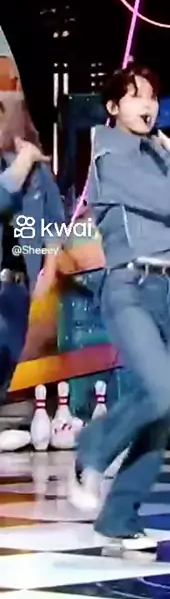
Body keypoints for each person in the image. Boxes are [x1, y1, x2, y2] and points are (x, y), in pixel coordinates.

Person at [68, 63, 170, 552]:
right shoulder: (108, 155)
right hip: (128, 286)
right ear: (113, 107)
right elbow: (167, 200)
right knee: (160, 393)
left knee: (163, 414)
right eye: (135, 95)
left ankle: (120, 516)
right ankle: (93, 448)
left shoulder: (164, 160)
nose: (148, 105)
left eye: (153, 96)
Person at [0, 93, 64, 401]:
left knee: (7, 364)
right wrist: (22, 163)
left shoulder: (39, 173)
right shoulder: (22, 166)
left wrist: (48, 270)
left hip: (17, 286)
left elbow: (54, 221)